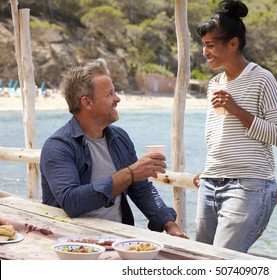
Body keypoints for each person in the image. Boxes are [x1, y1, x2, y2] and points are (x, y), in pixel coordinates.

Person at [40, 58, 188, 239]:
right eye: (110, 94)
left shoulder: (120, 138)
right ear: (87, 102)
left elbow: (141, 189)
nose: (117, 99)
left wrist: (170, 225)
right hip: (70, 242)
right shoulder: (58, 146)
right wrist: (129, 173)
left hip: (118, 239)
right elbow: (72, 202)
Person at [193, 0, 277, 253]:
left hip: (249, 186)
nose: (205, 52)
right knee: (198, 260)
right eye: (204, 45)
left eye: (210, 45)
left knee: (221, 263)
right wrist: (206, 172)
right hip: (210, 183)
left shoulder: (262, 78)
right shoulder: (214, 83)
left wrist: (237, 110)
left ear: (233, 43)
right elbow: (216, 137)